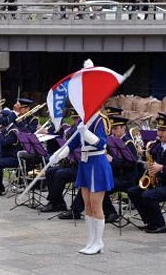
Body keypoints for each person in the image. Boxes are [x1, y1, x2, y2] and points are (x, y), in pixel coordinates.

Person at [48, 109, 112, 255]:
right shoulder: (83, 121)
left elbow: (101, 143)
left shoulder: (100, 120)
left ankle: (99, 241)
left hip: (97, 163)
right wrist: (57, 156)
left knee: (96, 205)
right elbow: (73, 143)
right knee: (87, 204)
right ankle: (91, 240)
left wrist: (86, 133)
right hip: (85, 163)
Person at [127, 113, 166, 233]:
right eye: (159, 130)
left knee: (148, 195)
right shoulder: (156, 145)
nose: (159, 133)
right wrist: (144, 155)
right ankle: (150, 221)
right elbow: (150, 161)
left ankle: (160, 225)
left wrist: (162, 168)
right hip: (160, 183)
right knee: (133, 192)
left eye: (163, 130)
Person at [0, 98, 38, 196]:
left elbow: (27, 132)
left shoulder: (33, 119)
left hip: (23, 152)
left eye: (22, 108)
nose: (20, 111)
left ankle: (0, 187)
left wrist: (18, 120)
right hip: (13, 150)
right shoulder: (17, 118)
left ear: (27, 109)